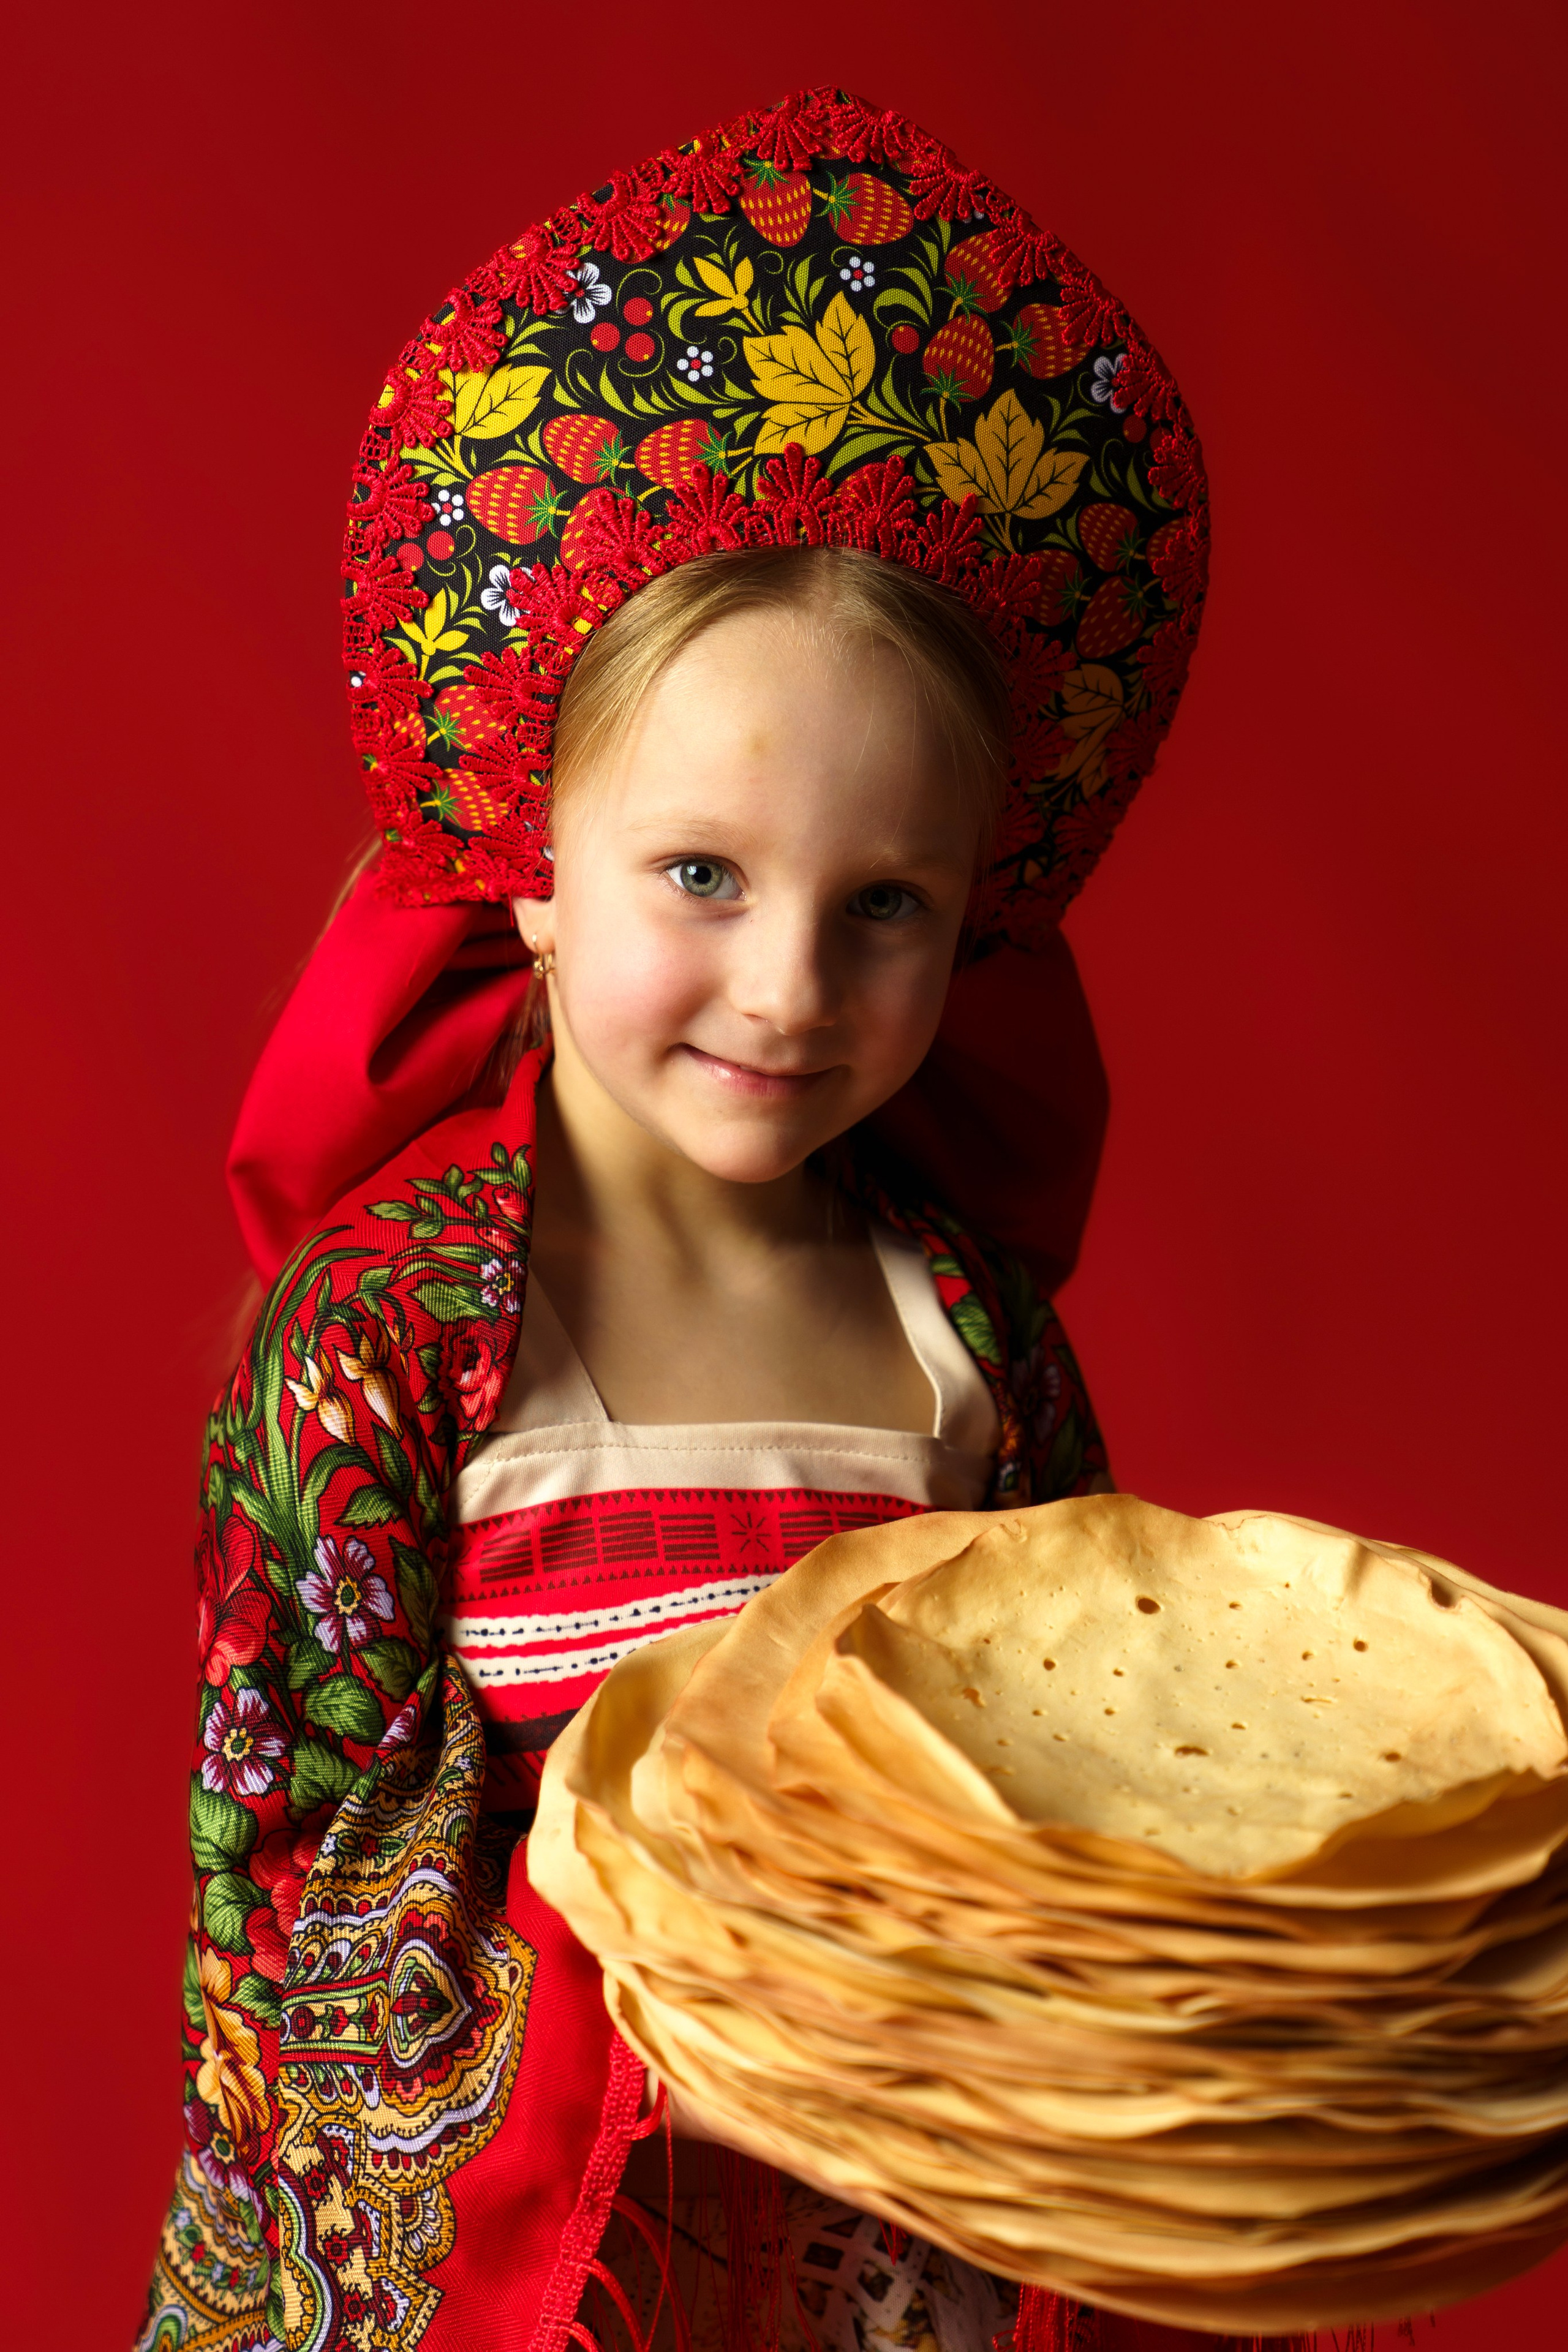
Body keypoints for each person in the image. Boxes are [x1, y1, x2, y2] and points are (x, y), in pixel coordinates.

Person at [138, 82, 1208, 2352]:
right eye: (701, 874)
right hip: (563, 2285)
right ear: (525, 865)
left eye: (885, 903)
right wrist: (702, 2033)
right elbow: (294, 1903)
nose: (792, 988)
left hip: (906, 2264)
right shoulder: (380, 1350)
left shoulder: (965, 1331)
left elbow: (1096, 1745)